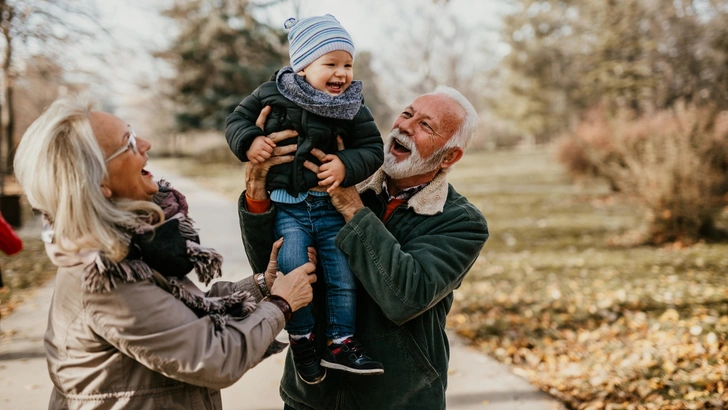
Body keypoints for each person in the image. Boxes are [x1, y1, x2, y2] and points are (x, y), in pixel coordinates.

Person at [12, 97, 318, 410]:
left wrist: (261, 285)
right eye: (128, 142)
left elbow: (181, 317)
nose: (145, 143)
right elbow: (213, 356)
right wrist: (281, 304)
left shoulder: (125, 247)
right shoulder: (106, 276)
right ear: (99, 181)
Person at [238, 85, 489, 409]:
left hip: (399, 401)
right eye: (407, 114)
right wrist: (258, 190)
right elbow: (274, 272)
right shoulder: (338, 175)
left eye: (425, 125)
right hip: (312, 397)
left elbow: (405, 296)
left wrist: (350, 206)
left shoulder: (460, 222)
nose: (405, 127)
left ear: (450, 156)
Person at [225, 14, 384, 384]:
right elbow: (237, 120)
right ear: (302, 65)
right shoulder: (271, 93)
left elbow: (372, 148)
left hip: (329, 207)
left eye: (348, 64)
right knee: (294, 271)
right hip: (288, 207)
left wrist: (346, 164)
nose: (342, 74)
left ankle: (341, 341)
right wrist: (250, 140)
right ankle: (302, 339)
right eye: (330, 64)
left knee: (341, 274)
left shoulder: (352, 106)